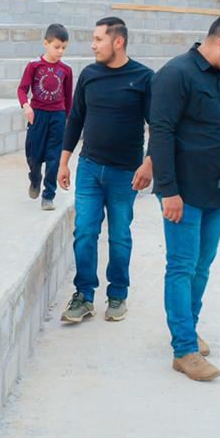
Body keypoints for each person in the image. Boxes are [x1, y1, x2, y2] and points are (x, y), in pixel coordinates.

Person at [149, 14, 220, 382]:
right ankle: (184, 351)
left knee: (201, 266)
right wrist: (169, 191)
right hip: (184, 193)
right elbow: (160, 133)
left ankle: (188, 330)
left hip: (216, 193)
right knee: (181, 266)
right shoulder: (175, 74)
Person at [57, 18, 154, 323]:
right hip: (89, 168)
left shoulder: (144, 78)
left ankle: (118, 295)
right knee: (84, 231)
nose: (93, 44)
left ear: (118, 42)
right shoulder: (89, 74)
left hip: (125, 173)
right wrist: (64, 161)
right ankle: (84, 295)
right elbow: (75, 119)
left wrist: (148, 164)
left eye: (99, 39)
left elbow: (160, 126)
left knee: (120, 236)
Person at [17, 24, 74, 211]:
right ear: (46, 43)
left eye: (64, 47)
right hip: (37, 115)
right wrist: (26, 105)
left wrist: (68, 120)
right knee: (33, 155)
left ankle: (48, 195)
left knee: (53, 158)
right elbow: (22, 89)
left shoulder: (66, 70)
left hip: (57, 116)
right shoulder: (34, 66)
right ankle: (35, 178)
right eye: (57, 47)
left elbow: (68, 97)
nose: (60, 51)